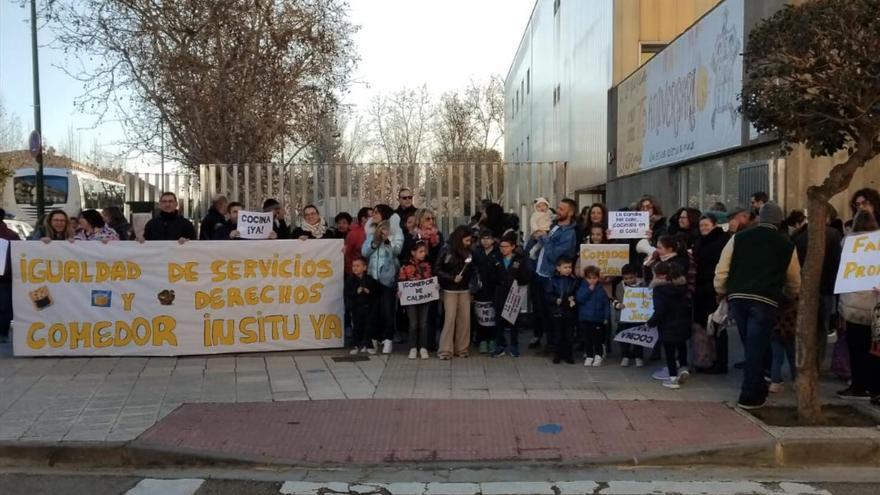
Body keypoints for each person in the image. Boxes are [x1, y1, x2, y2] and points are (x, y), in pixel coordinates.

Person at [714, 202, 801, 409]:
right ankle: (750, 394)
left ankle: (756, 387)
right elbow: (794, 278)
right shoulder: (786, 244)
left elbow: (722, 267)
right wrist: (790, 295)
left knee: (749, 343)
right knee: (756, 345)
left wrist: (721, 289)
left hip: (738, 296)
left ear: (759, 218)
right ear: (780, 220)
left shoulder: (739, 238)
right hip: (766, 299)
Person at [791, 207, 842, 371]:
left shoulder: (800, 236)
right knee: (822, 327)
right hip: (826, 287)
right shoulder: (834, 235)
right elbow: (837, 262)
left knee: (806, 326)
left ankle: (804, 361)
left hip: (806, 288)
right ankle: (817, 363)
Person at [525, 198, 579, 350]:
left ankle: (554, 344)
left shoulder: (569, 234)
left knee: (551, 311)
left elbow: (555, 255)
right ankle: (544, 338)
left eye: (562, 209)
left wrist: (542, 237)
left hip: (550, 276)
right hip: (539, 273)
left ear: (571, 212)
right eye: (559, 207)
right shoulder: (554, 226)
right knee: (540, 309)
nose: (558, 211)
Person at [837, 211, 880, 401]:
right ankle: (874, 386)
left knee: (856, 347)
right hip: (874, 303)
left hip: (852, 304)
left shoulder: (848, 243)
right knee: (874, 348)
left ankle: (858, 385)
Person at [362, 209, 404, 354]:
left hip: (388, 277)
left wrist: (387, 240)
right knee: (374, 310)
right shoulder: (371, 232)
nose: (373, 215)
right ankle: (374, 338)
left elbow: (397, 251)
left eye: (376, 212)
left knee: (387, 310)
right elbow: (364, 252)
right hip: (372, 276)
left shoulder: (395, 231)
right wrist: (374, 242)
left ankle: (388, 339)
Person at [693, 215, 731, 374]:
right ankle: (706, 359)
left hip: (714, 288)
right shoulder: (701, 241)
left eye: (706, 225)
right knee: (704, 326)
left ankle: (720, 361)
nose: (703, 228)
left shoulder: (722, 241)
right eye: (701, 225)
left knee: (717, 325)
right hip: (702, 289)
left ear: (714, 225)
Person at [648, 261, 693, 389]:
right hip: (683, 323)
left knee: (669, 352)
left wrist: (650, 322)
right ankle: (683, 367)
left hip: (667, 325)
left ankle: (673, 378)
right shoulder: (682, 287)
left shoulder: (659, 290)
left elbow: (660, 310)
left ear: (659, 275)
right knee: (681, 346)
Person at [436, 225, 475, 360]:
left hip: (465, 289)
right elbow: (438, 269)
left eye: (470, 241)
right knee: (450, 319)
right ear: (460, 239)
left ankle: (462, 348)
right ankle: (445, 350)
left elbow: (473, 270)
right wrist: (452, 278)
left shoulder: (469, 252)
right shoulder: (446, 249)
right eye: (466, 240)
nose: (468, 243)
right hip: (449, 290)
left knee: (465, 319)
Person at [493, 234, 531, 358]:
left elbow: (525, 277)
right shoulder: (496, 259)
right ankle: (500, 345)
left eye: (506, 246)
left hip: (514, 294)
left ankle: (514, 346)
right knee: (499, 321)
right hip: (500, 293)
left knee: (514, 321)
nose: (503, 249)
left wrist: (519, 281)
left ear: (513, 247)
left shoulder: (519, 260)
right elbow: (491, 277)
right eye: (501, 246)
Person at [398, 241, 433, 360]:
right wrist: (400, 290)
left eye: (424, 251)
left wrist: (435, 287)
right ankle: (413, 347)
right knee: (413, 323)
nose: (423, 254)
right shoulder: (405, 265)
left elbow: (431, 279)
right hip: (411, 299)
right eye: (420, 251)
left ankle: (423, 347)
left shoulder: (427, 264)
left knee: (424, 323)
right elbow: (401, 280)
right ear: (413, 252)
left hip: (424, 298)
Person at [545, 256, 580, 364]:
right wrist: (555, 300)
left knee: (569, 335)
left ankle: (568, 355)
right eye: (565, 267)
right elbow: (547, 295)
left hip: (569, 311)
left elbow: (576, 293)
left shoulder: (574, 281)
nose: (568, 269)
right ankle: (557, 355)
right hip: (557, 311)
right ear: (558, 268)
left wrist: (573, 299)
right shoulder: (553, 280)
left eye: (570, 267)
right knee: (558, 334)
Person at [472, 229, 501, 355]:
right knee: (481, 314)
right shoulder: (476, 252)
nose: (485, 241)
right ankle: (482, 340)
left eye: (488, 238)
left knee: (493, 314)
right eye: (483, 238)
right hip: (480, 289)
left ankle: (492, 339)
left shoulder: (498, 252)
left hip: (494, 288)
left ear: (493, 239)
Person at [612, 264, 646, 367]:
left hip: (638, 317)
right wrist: (617, 304)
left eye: (631, 278)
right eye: (626, 278)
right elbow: (615, 299)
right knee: (624, 337)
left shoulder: (643, 285)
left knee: (638, 338)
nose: (629, 280)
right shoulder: (619, 286)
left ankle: (638, 357)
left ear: (636, 275)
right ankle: (625, 356)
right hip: (624, 317)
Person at [577, 265, 611, 367]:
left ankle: (598, 356)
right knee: (587, 339)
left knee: (597, 339)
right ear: (585, 278)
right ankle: (589, 356)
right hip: (585, 318)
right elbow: (579, 299)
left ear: (598, 278)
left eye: (594, 278)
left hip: (597, 318)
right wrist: (589, 290)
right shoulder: (582, 287)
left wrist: (606, 317)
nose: (592, 280)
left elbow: (606, 304)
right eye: (589, 278)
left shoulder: (601, 289)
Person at [345, 256, 378, 355]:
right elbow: (347, 293)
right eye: (353, 266)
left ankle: (368, 345)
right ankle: (356, 345)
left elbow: (375, 293)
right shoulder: (350, 280)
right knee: (357, 327)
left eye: (358, 266)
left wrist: (368, 291)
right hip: (356, 308)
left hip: (368, 307)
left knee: (368, 327)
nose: (355, 268)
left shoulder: (369, 279)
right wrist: (356, 291)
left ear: (364, 267)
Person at [0, 209, 20, 344]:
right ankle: (3, 333)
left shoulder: (10, 235)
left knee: (4, 306)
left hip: (5, 277)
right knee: (4, 306)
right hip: (6, 277)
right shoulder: (11, 234)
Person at [344, 207, 372, 274]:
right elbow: (347, 255)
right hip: (358, 273)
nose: (374, 219)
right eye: (371, 217)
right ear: (363, 218)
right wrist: (352, 272)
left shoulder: (374, 232)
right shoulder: (353, 234)